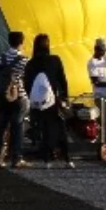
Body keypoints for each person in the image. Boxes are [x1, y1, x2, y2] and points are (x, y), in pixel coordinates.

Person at [24, 33, 72, 168]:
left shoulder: (31, 63)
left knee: (42, 130)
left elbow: (26, 83)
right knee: (59, 128)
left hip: (37, 103)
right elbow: (62, 80)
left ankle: (47, 159)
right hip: (53, 101)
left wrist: (32, 98)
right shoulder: (55, 60)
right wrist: (65, 97)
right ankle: (66, 157)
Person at [0, 31, 30, 168]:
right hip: (18, 96)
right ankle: (16, 157)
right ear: (21, 42)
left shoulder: (0, 58)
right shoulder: (24, 60)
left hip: (1, 96)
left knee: (1, 127)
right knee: (17, 126)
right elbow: (25, 78)